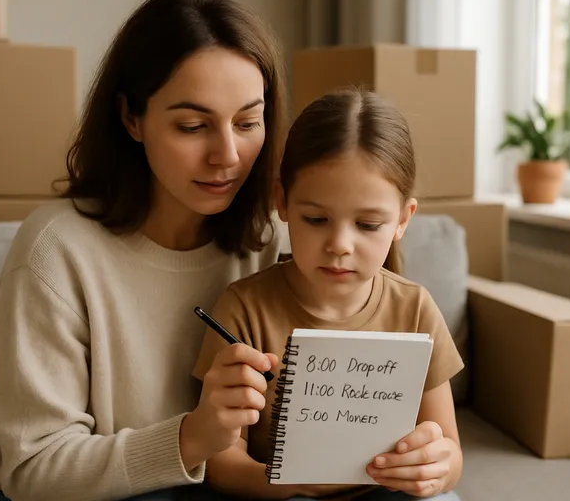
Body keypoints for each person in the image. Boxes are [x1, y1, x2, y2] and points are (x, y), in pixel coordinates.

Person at [0, 0, 289, 500]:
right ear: (132, 118)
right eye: (193, 126)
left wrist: (422, 450)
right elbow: (33, 471)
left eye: (247, 122)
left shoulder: (271, 238)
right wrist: (193, 436)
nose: (228, 154)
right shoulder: (55, 250)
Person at [193, 88, 465, 501]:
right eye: (316, 219)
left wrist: (435, 467)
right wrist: (290, 481)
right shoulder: (244, 308)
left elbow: (451, 454)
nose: (339, 244)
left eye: (368, 225)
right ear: (282, 201)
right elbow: (221, 465)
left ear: (402, 220)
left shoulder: (414, 308)